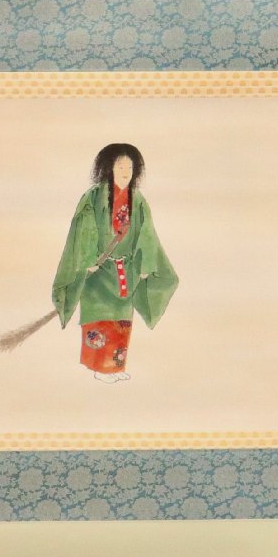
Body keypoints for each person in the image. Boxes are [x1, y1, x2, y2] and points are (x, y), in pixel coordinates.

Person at [51, 143, 179, 383]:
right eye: (120, 166)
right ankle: (100, 368)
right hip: (98, 272)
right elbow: (84, 229)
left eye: (129, 167)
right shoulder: (93, 197)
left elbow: (147, 234)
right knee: (99, 317)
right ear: (108, 167)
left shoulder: (137, 200)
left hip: (125, 272)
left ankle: (115, 368)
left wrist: (145, 265)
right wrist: (88, 259)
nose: (125, 171)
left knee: (121, 320)